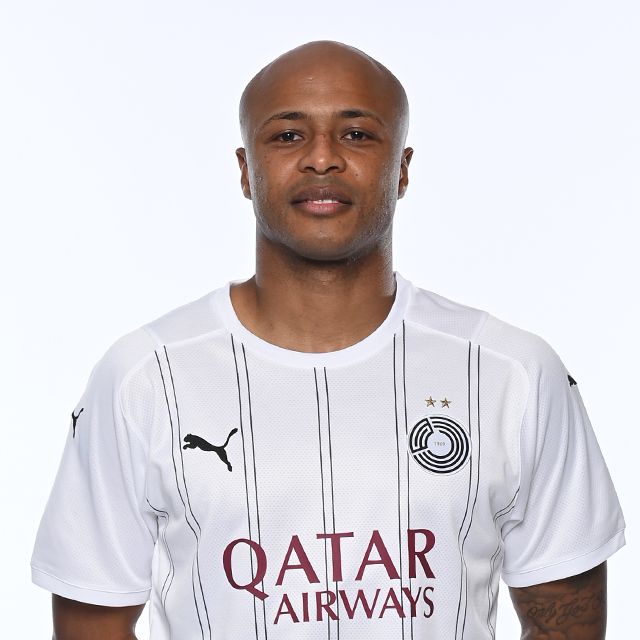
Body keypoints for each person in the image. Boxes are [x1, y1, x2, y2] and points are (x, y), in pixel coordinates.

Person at [32, 41, 625, 639]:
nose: (322, 159)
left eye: (357, 135)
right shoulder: (145, 378)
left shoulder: (511, 374)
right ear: (245, 169)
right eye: (288, 135)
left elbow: (567, 620)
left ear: (402, 168)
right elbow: (91, 621)